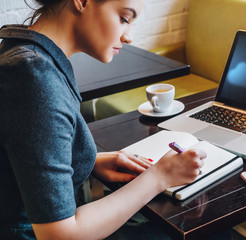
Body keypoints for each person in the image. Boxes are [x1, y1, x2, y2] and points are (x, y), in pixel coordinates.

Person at [0, 0, 208, 239]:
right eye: (124, 18)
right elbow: (58, 234)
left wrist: (85, 161)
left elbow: (20, 156)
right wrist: (159, 177)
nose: (128, 36)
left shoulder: (23, 52)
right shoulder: (34, 77)